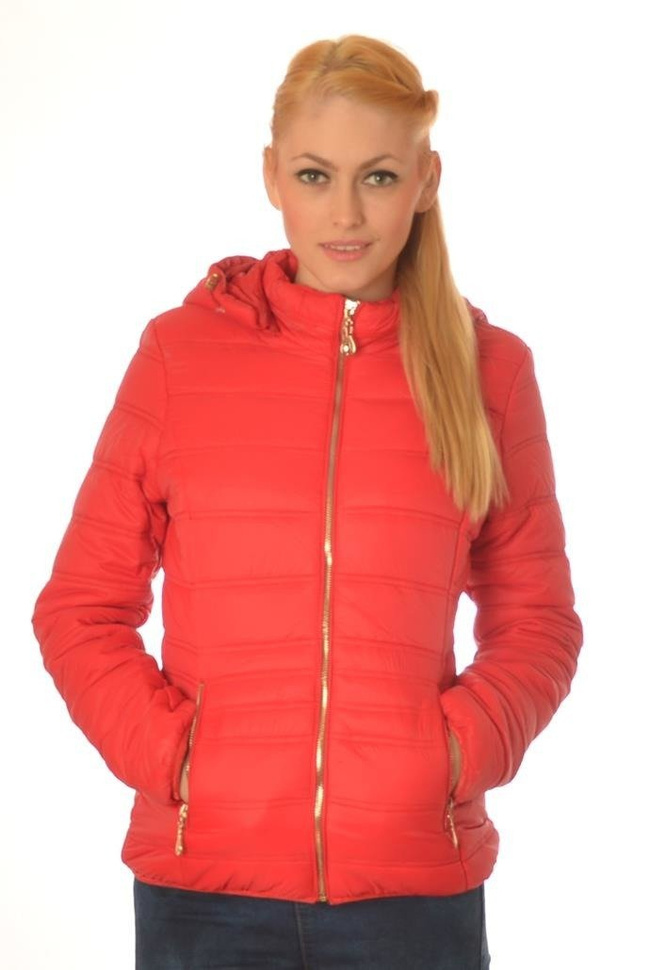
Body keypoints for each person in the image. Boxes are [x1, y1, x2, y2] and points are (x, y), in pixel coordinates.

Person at [31, 32, 583, 970]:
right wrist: (177, 760)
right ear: (271, 176)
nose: (346, 213)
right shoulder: (178, 356)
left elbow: (539, 623)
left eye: (379, 177)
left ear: (427, 180)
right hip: (204, 894)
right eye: (315, 175)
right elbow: (80, 608)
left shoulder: (491, 373)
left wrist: (449, 758)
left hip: (412, 896)